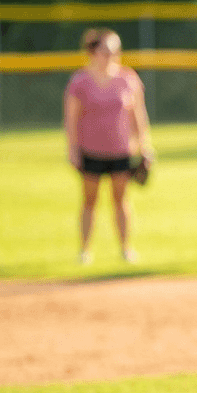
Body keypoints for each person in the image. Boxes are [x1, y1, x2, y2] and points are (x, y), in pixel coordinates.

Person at [64, 28, 153, 265]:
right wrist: (72, 149)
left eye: (115, 50)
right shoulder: (80, 81)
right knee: (89, 200)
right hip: (91, 149)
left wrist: (144, 146)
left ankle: (126, 249)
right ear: (93, 51)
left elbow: (138, 116)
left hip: (121, 149)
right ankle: (85, 250)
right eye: (106, 50)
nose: (112, 55)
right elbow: (71, 118)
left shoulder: (127, 78)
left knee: (121, 201)